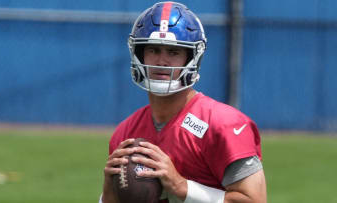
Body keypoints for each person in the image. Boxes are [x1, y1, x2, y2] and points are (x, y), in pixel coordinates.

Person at [101, 1, 267, 203]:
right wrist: (109, 194)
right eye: (153, 50)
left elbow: (255, 200)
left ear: (192, 58)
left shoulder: (223, 125)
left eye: (173, 52)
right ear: (139, 54)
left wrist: (181, 187)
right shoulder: (125, 133)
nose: (162, 61)